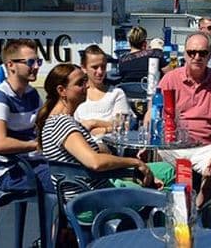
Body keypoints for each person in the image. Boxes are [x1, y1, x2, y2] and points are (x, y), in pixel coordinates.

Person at [35, 63, 157, 201]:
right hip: (92, 201)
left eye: (85, 80)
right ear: (62, 90)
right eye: (80, 83)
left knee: (160, 169)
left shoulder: (58, 121)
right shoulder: (61, 123)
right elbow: (95, 162)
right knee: (167, 174)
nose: (87, 86)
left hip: (92, 193)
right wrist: (135, 162)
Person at [150, 32, 211, 208]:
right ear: (185, 54)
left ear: (210, 55)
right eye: (192, 52)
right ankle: (166, 208)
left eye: (202, 53)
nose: (197, 57)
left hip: (204, 145)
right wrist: (147, 139)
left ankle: (195, 206)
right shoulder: (171, 78)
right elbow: (154, 111)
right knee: (152, 169)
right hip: (173, 144)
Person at [0, 38, 54, 193]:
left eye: (38, 62)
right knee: (70, 181)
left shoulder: (32, 93)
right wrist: (35, 145)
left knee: (76, 169)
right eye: (30, 62)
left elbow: (44, 127)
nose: (36, 67)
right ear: (11, 65)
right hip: (12, 172)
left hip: (35, 163)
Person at [74, 44, 133, 136]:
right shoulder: (77, 94)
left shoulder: (116, 94)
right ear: (84, 68)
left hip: (108, 146)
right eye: (95, 67)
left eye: (103, 67)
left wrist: (93, 123)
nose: (100, 71)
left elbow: (123, 124)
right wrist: (108, 127)